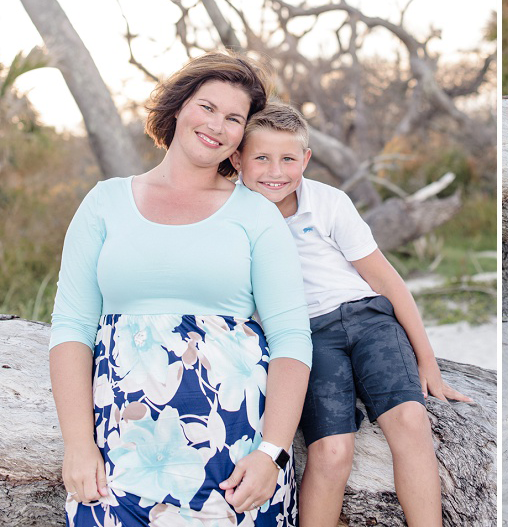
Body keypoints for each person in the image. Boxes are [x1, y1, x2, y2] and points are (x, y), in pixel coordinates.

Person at [49, 52, 312, 526]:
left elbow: (292, 336)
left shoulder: (256, 214)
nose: (217, 124)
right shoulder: (104, 202)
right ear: (177, 108)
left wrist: (270, 454)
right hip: (117, 455)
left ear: (241, 136)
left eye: (234, 118)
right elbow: (71, 327)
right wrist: (78, 444)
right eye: (207, 107)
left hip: (235, 459)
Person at [229, 102, 471, 527]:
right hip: (304, 337)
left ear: (305, 160)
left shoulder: (327, 203)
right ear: (237, 159)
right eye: (261, 158)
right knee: (332, 451)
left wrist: (427, 361)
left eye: (288, 159)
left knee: (411, 420)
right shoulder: (233, 216)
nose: (275, 171)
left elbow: (388, 281)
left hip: (369, 319)